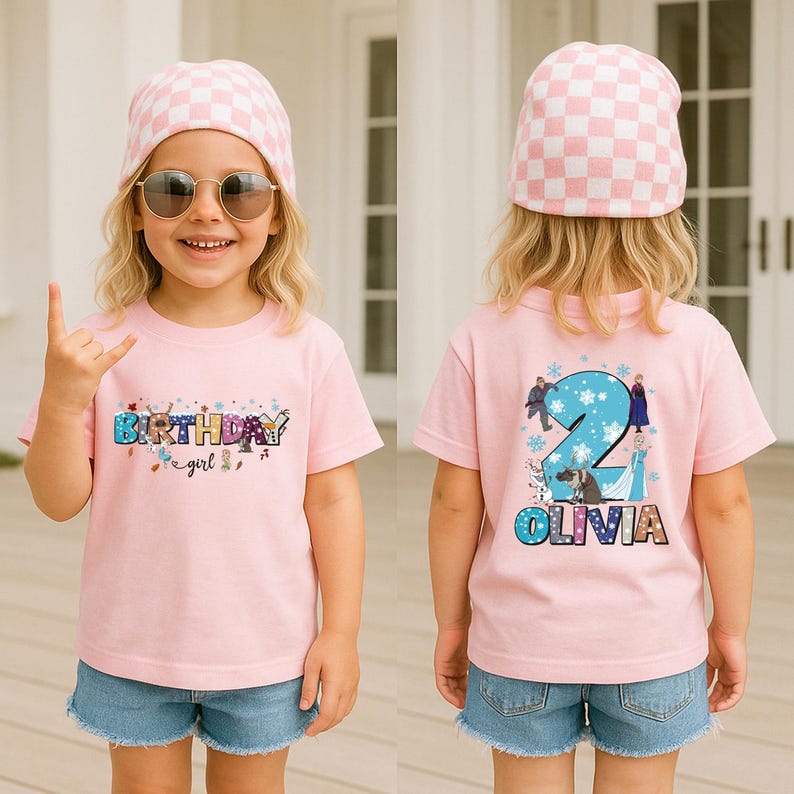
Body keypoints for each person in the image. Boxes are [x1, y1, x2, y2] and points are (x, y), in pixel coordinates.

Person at [413, 42, 775, 793]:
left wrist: (452, 623)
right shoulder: (700, 341)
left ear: (526, 204)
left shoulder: (481, 338)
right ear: (666, 209)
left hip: (517, 641)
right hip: (654, 644)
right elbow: (726, 505)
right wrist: (730, 626)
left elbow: (453, 503)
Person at [19, 60, 382, 794]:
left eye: (240, 190)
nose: (207, 213)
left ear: (276, 212)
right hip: (131, 649)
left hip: (267, 651)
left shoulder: (310, 349)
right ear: (136, 209)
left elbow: (333, 500)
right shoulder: (99, 346)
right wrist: (60, 404)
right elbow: (57, 501)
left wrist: (339, 631)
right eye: (173, 189)